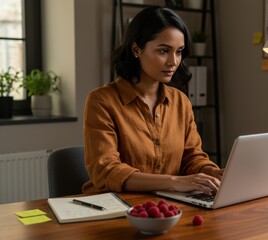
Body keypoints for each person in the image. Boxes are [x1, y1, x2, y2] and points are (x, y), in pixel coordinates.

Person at [82, 6, 223, 196]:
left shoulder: (180, 102)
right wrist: (174, 182)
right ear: (136, 49)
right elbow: (107, 171)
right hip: (114, 208)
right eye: (164, 51)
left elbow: (192, 159)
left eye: (179, 51)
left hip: (169, 206)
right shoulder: (102, 101)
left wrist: (215, 173)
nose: (173, 61)